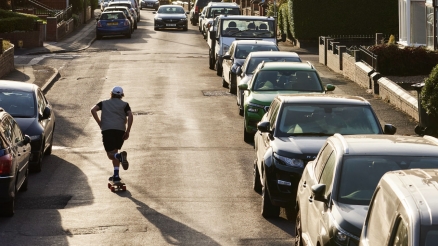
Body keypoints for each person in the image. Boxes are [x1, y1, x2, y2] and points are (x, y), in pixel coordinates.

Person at [91, 86, 133, 182]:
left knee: (111, 155)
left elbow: (93, 110)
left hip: (107, 130)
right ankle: (116, 175)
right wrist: (128, 131)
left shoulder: (103, 103)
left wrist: (99, 122)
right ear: (121, 95)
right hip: (120, 130)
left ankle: (119, 157)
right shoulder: (125, 104)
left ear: (111, 93)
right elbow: (130, 115)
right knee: (115, 151)